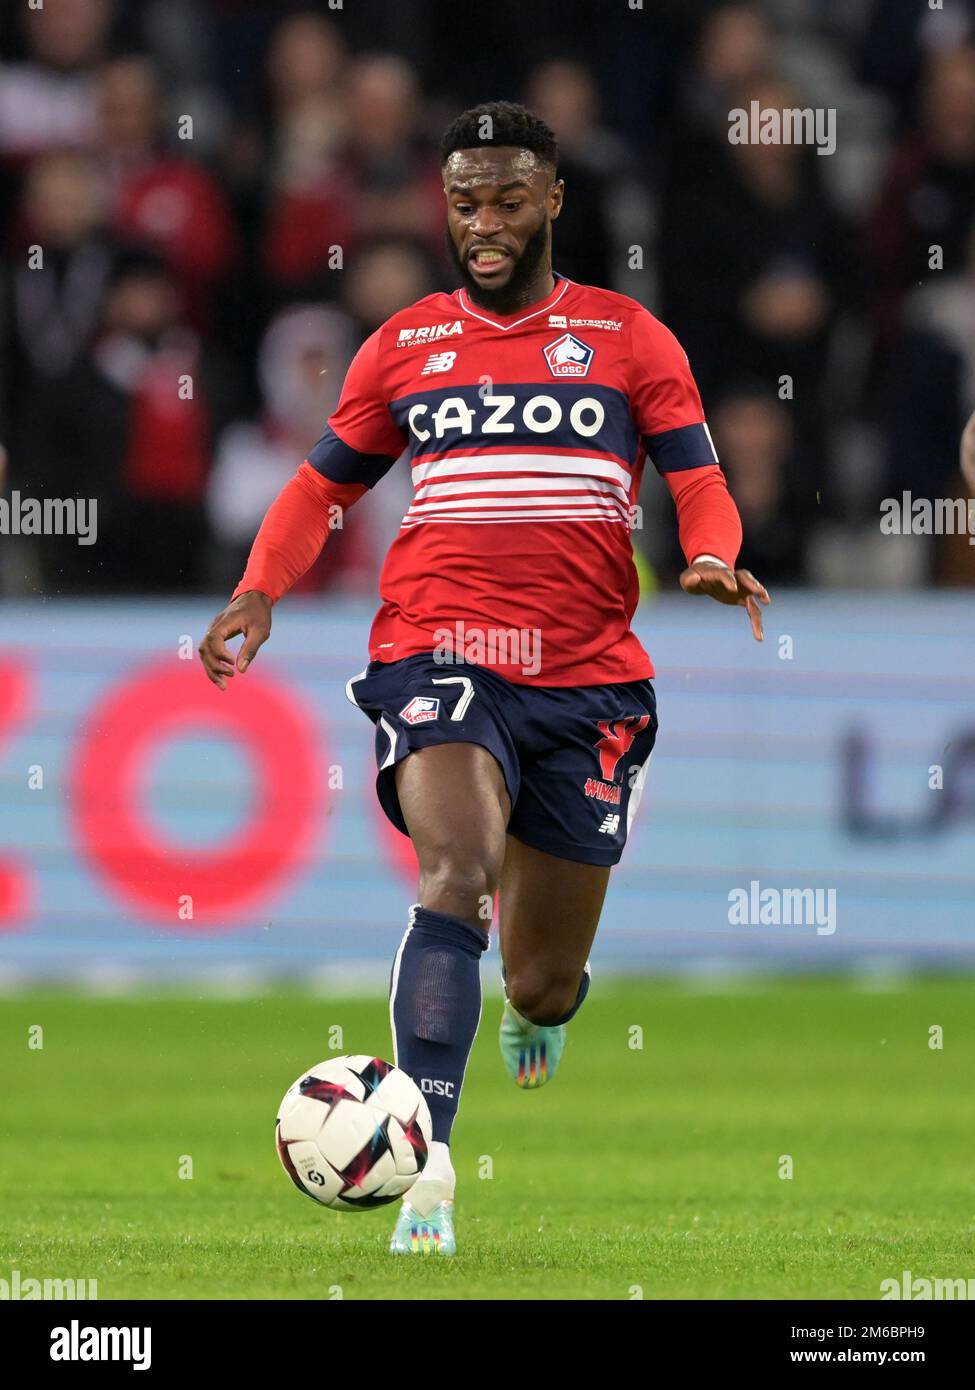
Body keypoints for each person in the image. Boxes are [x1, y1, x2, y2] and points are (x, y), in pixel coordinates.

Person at [198, 101, 769, 1256]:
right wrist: (261, 587)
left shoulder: (627, 337)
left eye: (508, 197)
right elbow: (322, 490)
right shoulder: (404, 345)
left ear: (553, 200)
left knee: (546, 980)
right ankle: (430, 1173)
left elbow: (697, 472)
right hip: (436, 652)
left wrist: (712, 551)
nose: (485, 221)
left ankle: (534, 1005)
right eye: (465, 200)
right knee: (453, 871)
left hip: (588, 677)